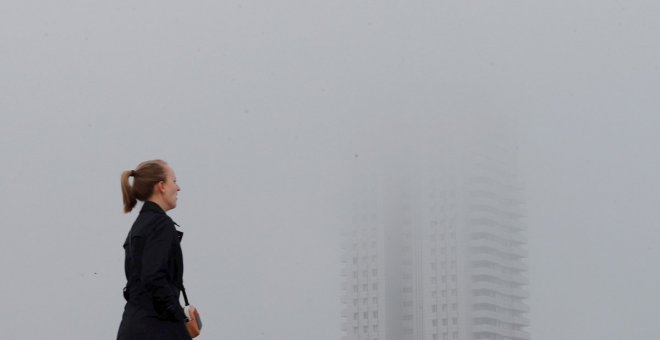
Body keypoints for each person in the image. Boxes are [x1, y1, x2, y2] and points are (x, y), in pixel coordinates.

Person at [117, 159, 192, 340]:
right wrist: (181, 319)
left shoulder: (139, 226)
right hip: (154, 328)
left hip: (132, 326)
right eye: (174, 181)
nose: (178, 187)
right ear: (161, 186)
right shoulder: (160, 224)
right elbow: (153, 278)